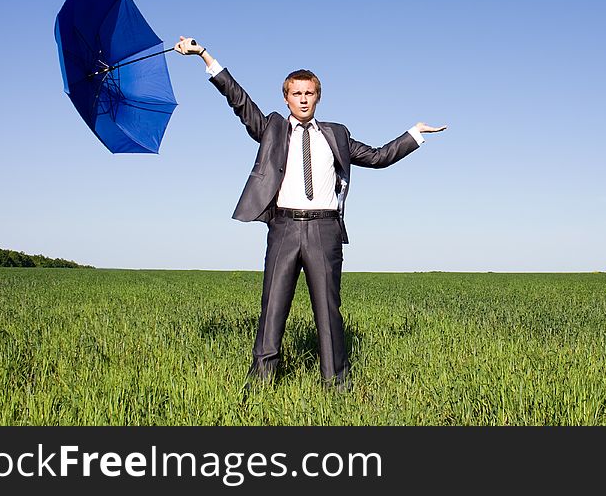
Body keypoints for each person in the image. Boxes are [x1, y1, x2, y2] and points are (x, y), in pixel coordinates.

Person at [175, 36, 446, 390]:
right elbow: (238, 100)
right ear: (285, 98)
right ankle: (260, 382)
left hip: (325, 231)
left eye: (309, 93)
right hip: (284, 227)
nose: (303, 99)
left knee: (328, 310)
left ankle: (336, 383)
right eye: (296, 93)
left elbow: (379, 157)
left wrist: (413, 134)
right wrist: (204, 56)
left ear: (318, 97)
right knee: (273, 307)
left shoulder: (336, 134)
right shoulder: (271, 128)